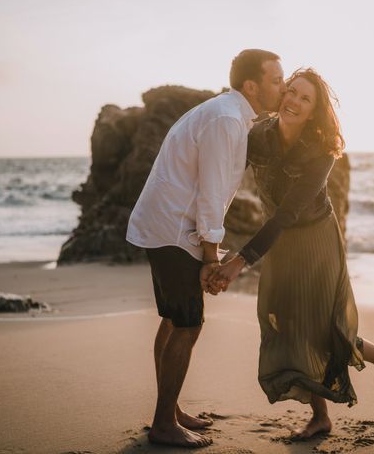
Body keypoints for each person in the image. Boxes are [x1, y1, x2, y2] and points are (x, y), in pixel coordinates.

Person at [211, 68, 374, 439]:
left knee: (321, 328)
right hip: (279, 240)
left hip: (314, 238)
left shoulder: (321, 151)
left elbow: (288, 213)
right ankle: (321, 417)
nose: (294, 101)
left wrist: (239, 261)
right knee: (288, 324)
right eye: (291, 91)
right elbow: (226, 174)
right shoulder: (259, 135)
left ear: (315, 110)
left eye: (305, 98)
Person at [126, 49, 286, 448]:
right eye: (277, 80)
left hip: (166, 225)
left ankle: (170, 409)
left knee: (173, 319)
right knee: (187, 324)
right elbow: (211, 194)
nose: (281, 88)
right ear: (252, 85)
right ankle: (164, 423)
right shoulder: (228, 120)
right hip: (174, 230)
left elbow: (208, 190)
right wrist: (212, 258)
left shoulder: (226, 113)